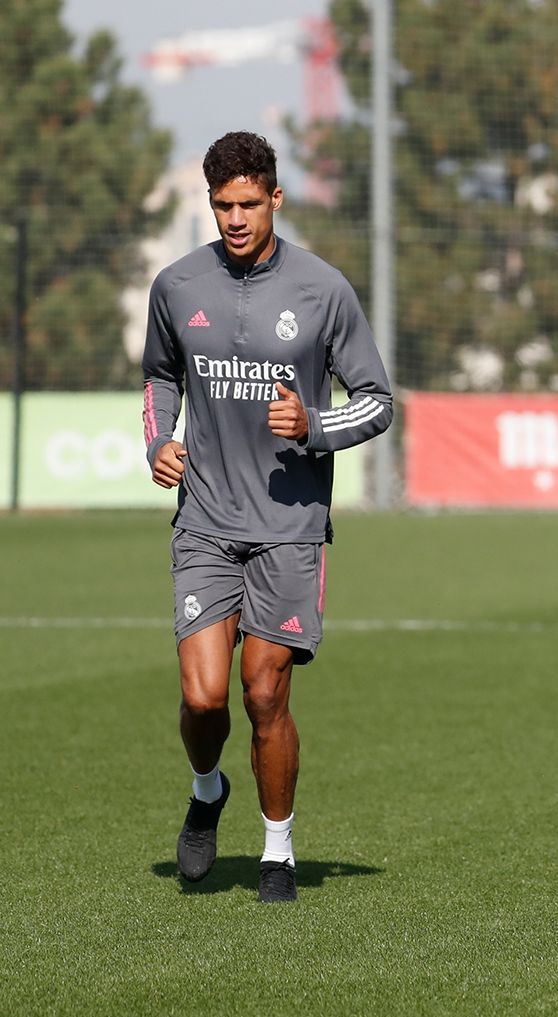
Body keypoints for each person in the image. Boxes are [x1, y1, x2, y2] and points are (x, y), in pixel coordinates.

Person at [144, 132, 393, 903]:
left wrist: (314, 427)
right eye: (222, 206)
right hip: (207, 521)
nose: (236, 219)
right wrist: (159, 441)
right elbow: (159, 376)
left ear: (275, 199)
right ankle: (207, 787)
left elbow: (379, 403)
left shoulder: (323, 290)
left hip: (289, 527)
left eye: (250, 204)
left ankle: (277, 851)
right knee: (203, 698)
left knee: (264, 694)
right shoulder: (177, 285)